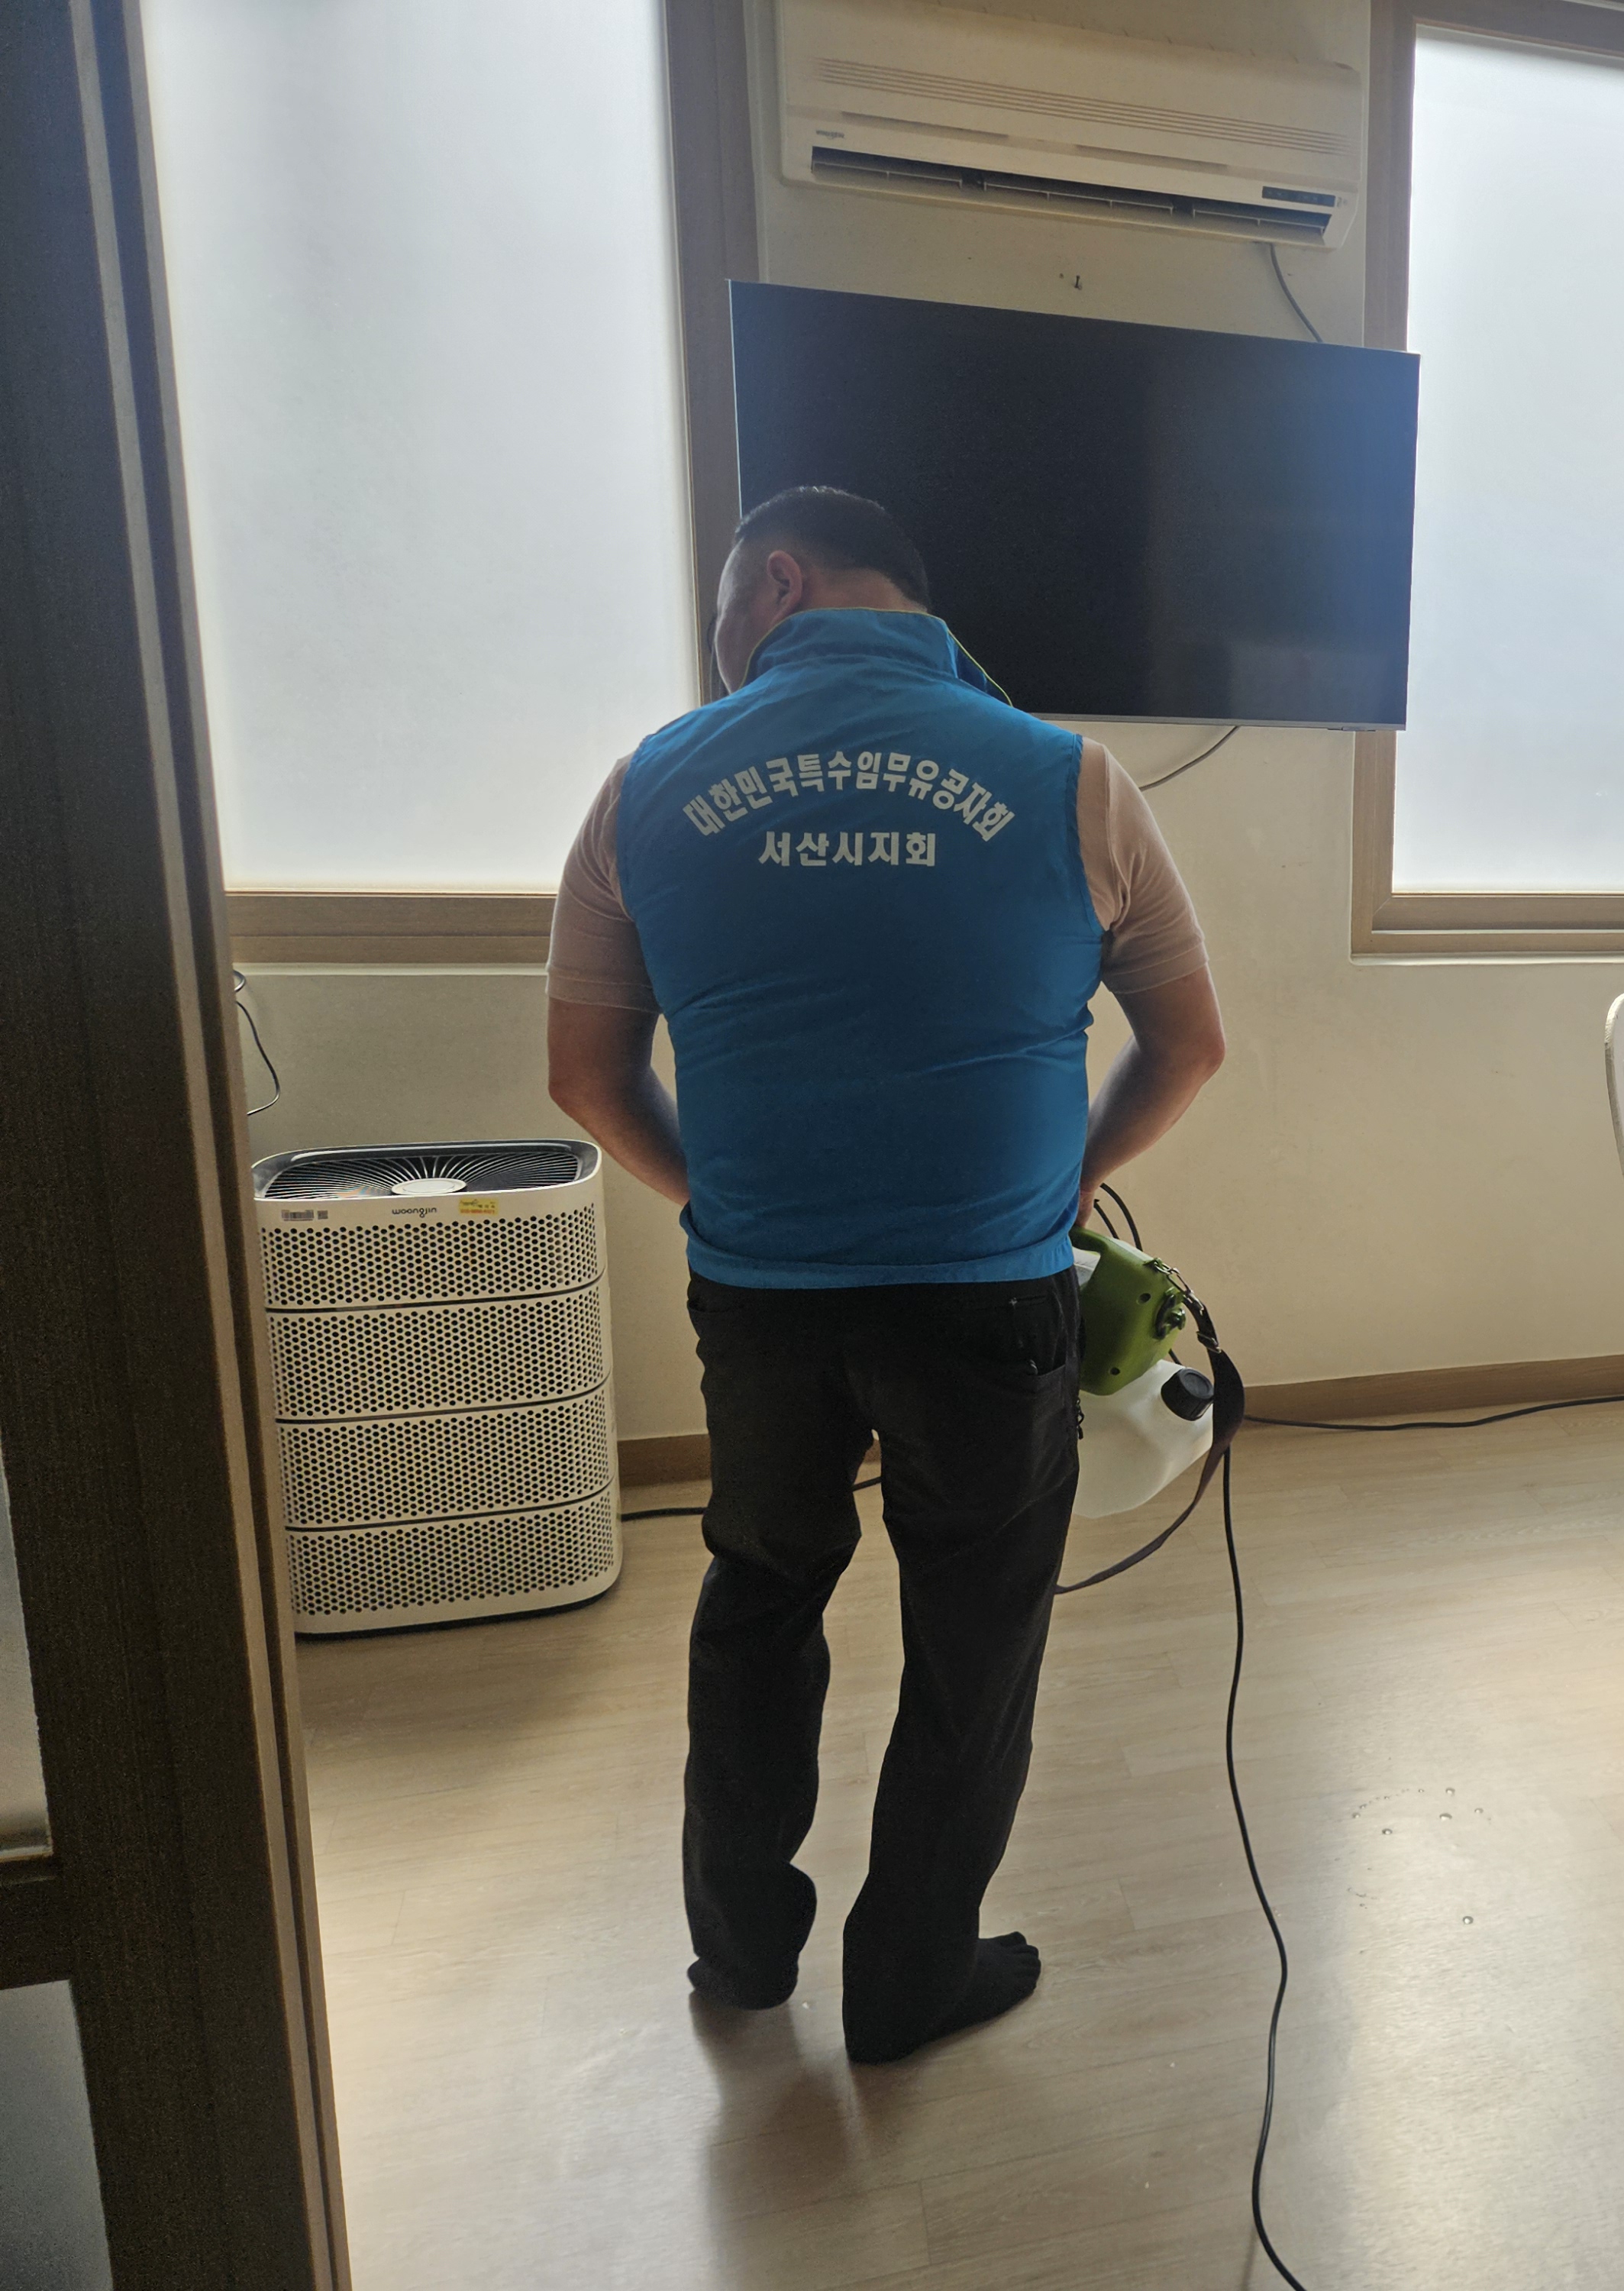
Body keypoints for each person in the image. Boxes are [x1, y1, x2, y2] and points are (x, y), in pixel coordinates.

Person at [543, 486, 1226, 2064]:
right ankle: (911, 1977)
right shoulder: (1077, 780)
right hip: (988, 1295)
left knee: (760, 1596)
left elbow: (583, 1076)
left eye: (725, 613)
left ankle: (740, 1956)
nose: (721, 649)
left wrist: (726, 1200)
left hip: (760, 1300)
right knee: (974, 1633)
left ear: (778, 582)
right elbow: (1189, 1045)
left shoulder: (642, 787)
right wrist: (1065, 1183)